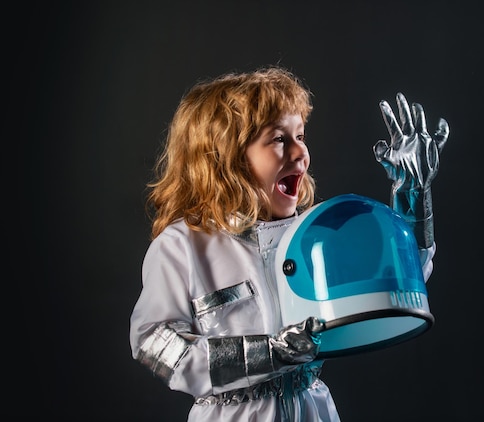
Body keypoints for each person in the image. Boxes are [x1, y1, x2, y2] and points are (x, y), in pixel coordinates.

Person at [129, 65, 449, 421]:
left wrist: (412, 196)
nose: (301, 154)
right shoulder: (183, 246)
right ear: (225, 156)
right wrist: (273, 352)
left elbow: (400, 284)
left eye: (301, 135)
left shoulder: (311, 233)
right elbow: (156, 345)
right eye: (280, 139)